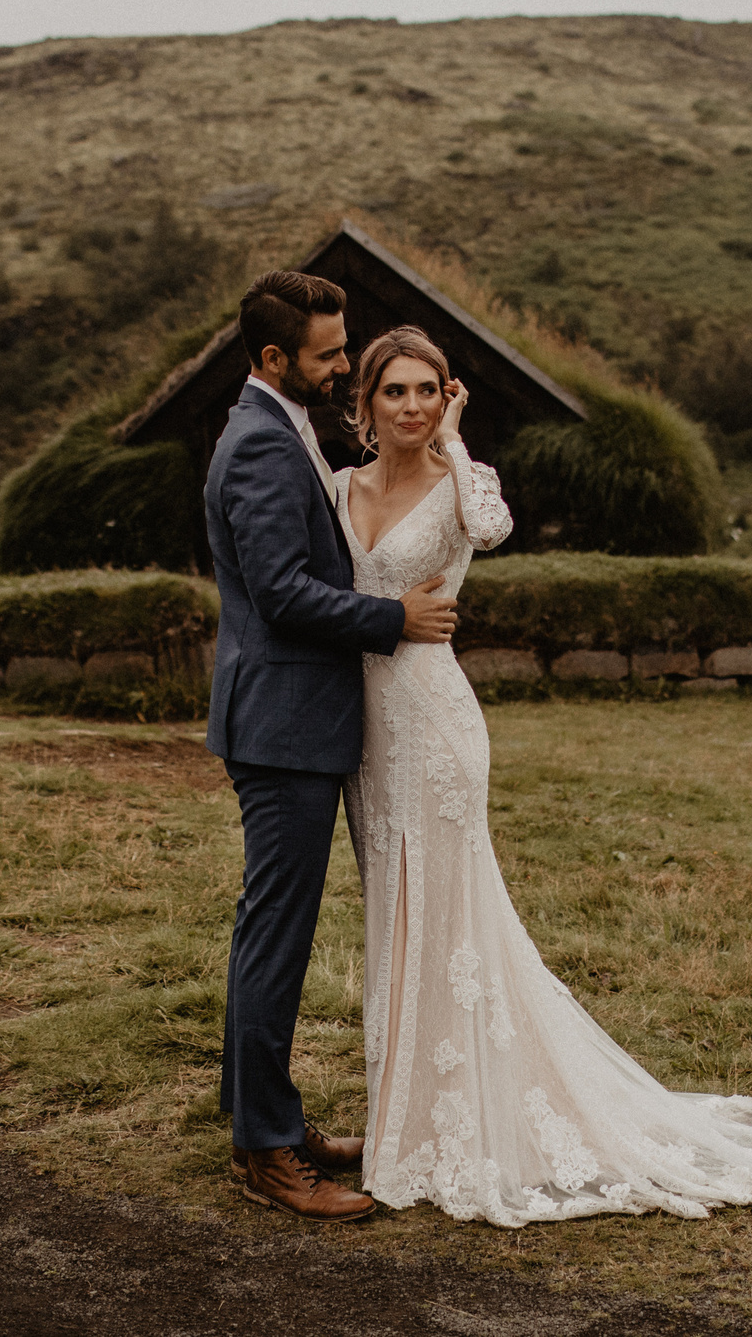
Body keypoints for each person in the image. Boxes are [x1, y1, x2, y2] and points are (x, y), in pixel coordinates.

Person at [336, 325, 752, 1227]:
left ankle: (455, 1118)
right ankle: (401, 1114)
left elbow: (492, 529)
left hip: (436, 725)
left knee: (448, 913)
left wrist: (455, 443)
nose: (410, 405)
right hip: (366, 735)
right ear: (364, 400)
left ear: (447, 397)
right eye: (394, 391)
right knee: (394, 915)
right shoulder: (340, 487)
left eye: (428, 389)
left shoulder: (460, 484)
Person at [204, 271, 459, 1223]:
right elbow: (282, 593)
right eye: (328, 353)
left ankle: (265, 1116)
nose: (345, 362)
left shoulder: (277, 425)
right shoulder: (264, 447)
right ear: (275, 359)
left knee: (266, 929)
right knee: (276, 936)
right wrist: (393, 615)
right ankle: (268, 1151)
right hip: (284, 726)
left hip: (288, 719)